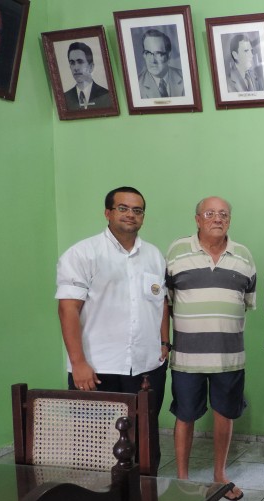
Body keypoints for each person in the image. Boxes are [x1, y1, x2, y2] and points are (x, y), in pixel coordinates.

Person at [55, 186, 169, 470]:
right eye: (123, 208)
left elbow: (161, 303)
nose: (131, 214)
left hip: (146, 367)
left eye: (137, 210)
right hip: (97, 368)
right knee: (95, 446)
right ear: (108, 212)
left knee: (145, 442)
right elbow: (68, 309)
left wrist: (164, 343)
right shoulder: (83, 253)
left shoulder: (154, 256)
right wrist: (78, 363)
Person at [166, 197, 256, 501]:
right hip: (186, 357)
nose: (217, 218)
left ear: (229, 220)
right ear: (197, 219)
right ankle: (182, 480)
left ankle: (220, 476)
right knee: (185, 415)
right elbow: (165, 303)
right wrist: (164, 343)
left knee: (224, 414)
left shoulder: (243, 256)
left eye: (223, 214)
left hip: (229, 356)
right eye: (210, 213)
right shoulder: (177, 252)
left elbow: (247, 301)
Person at [63, 41, 111, 111]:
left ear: (91, 67)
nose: (76, 68)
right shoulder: (64, 98)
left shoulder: (107, 96)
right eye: (72, 63)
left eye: (80, 62)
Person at [138, 29, 184, 99]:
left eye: (158, 53)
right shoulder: (137, 85)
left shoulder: (184, 78)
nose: (153, 60)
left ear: (169, 56)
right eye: (148, 53)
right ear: (144, 55)